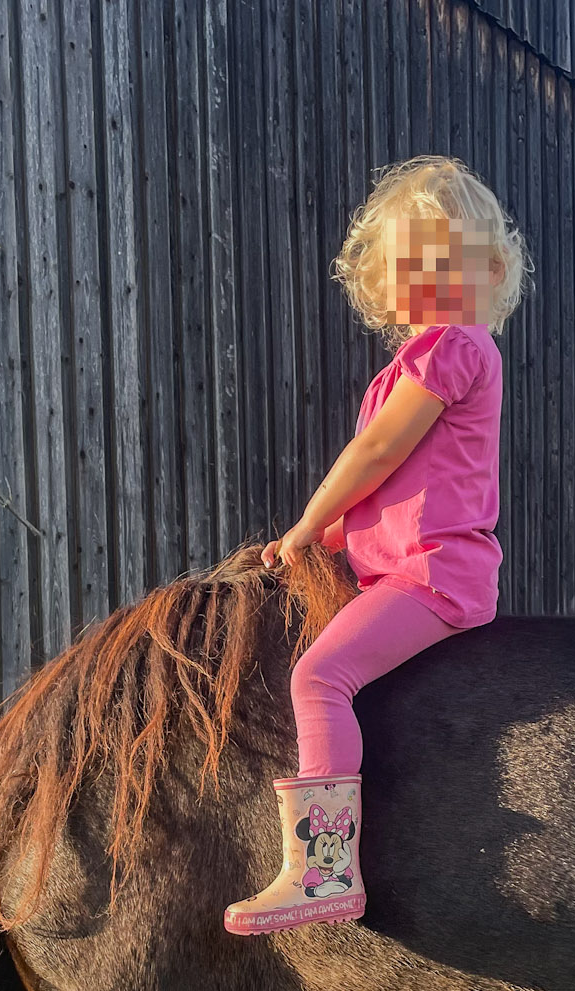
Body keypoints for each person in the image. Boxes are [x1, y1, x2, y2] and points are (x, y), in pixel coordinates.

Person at [225, 156, 530, 935]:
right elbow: (391, 482)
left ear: (484, 270)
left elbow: (373, 458)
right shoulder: (425, 359)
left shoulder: (450, 350)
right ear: (387, 279)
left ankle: (324, 871)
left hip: (430, 576)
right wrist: (329, 535)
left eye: (446, 260)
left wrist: (304, 523)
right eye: (411, 263)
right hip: (413, 567)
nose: (428, 277)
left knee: (319, 677)